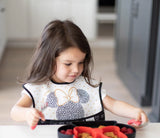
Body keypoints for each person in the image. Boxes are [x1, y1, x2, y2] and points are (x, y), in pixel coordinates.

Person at [10, 20, 148, 128]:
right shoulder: (38, 87)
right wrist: (27, 113)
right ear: (49, 60)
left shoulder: (86, 85)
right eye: (68, 64)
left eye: (81, 62)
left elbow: (113, 104)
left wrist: (135, 112)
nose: (76, 70)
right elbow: (15, 111)